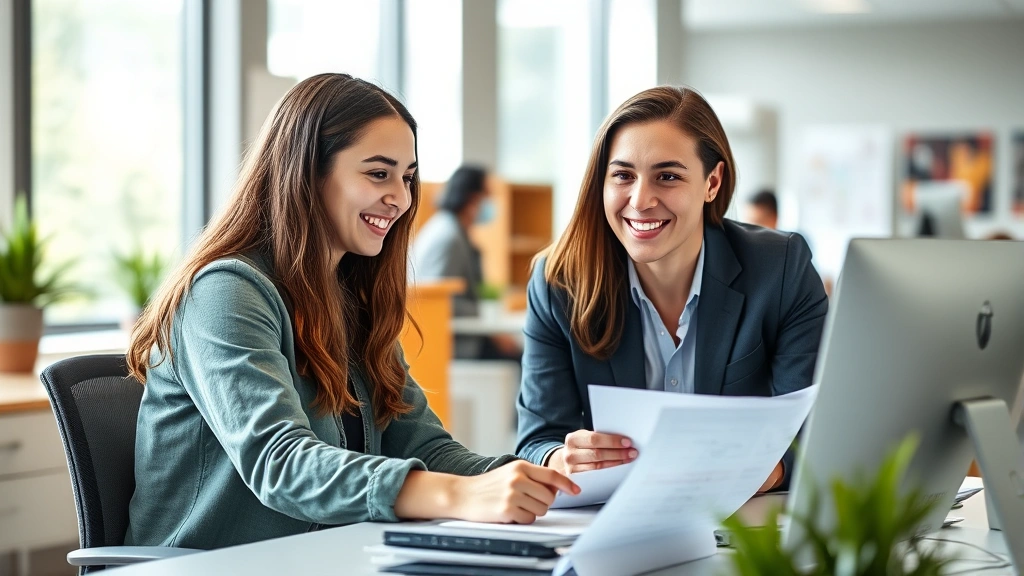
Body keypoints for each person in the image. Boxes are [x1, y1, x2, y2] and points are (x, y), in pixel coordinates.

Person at [122, 73, 577, 551]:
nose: (401, 198)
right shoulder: (224, 291)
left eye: (407, 177)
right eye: (378, 173)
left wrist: (548, 479)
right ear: (306, 171)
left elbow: (423, 447)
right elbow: (280, 463)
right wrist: (458, 494)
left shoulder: (351, 302)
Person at [516, 86, 828, 493]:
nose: (641, 200)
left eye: (667, 177)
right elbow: (537, 440)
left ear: (712, 182)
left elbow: (814, 431)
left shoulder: (780, 269)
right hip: (613, 527)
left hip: (744, 523)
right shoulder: (558, 284)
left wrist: (763, 471)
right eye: (623, 175)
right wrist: (562, 458)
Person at [411, 165, 521, 361]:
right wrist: (488, 321)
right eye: (487, 195)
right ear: (472, 197)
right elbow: (438, 300)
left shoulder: (452, 230)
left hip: (462, 335)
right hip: (457, 344)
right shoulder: (448, 237)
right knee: (521, 356)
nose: (491, 203)